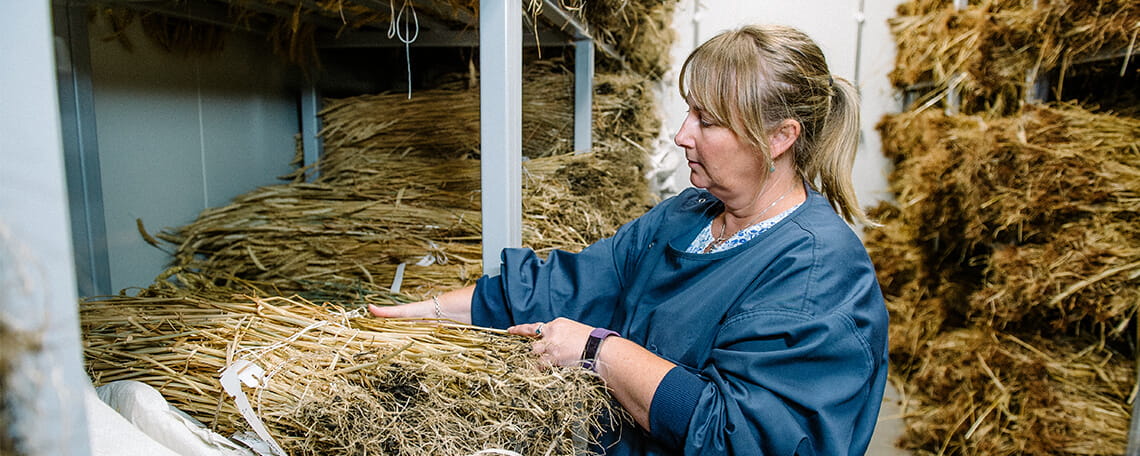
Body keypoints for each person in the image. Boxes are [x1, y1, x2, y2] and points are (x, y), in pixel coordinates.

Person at [370, 24, 889, 455]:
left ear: (780, 137)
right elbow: (569, 284)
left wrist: (600, 352)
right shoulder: (687, 217)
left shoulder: (819, 276)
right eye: (689, 111)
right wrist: (428, 314)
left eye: (706, 120)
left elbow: (744, 437)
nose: (682, 134)